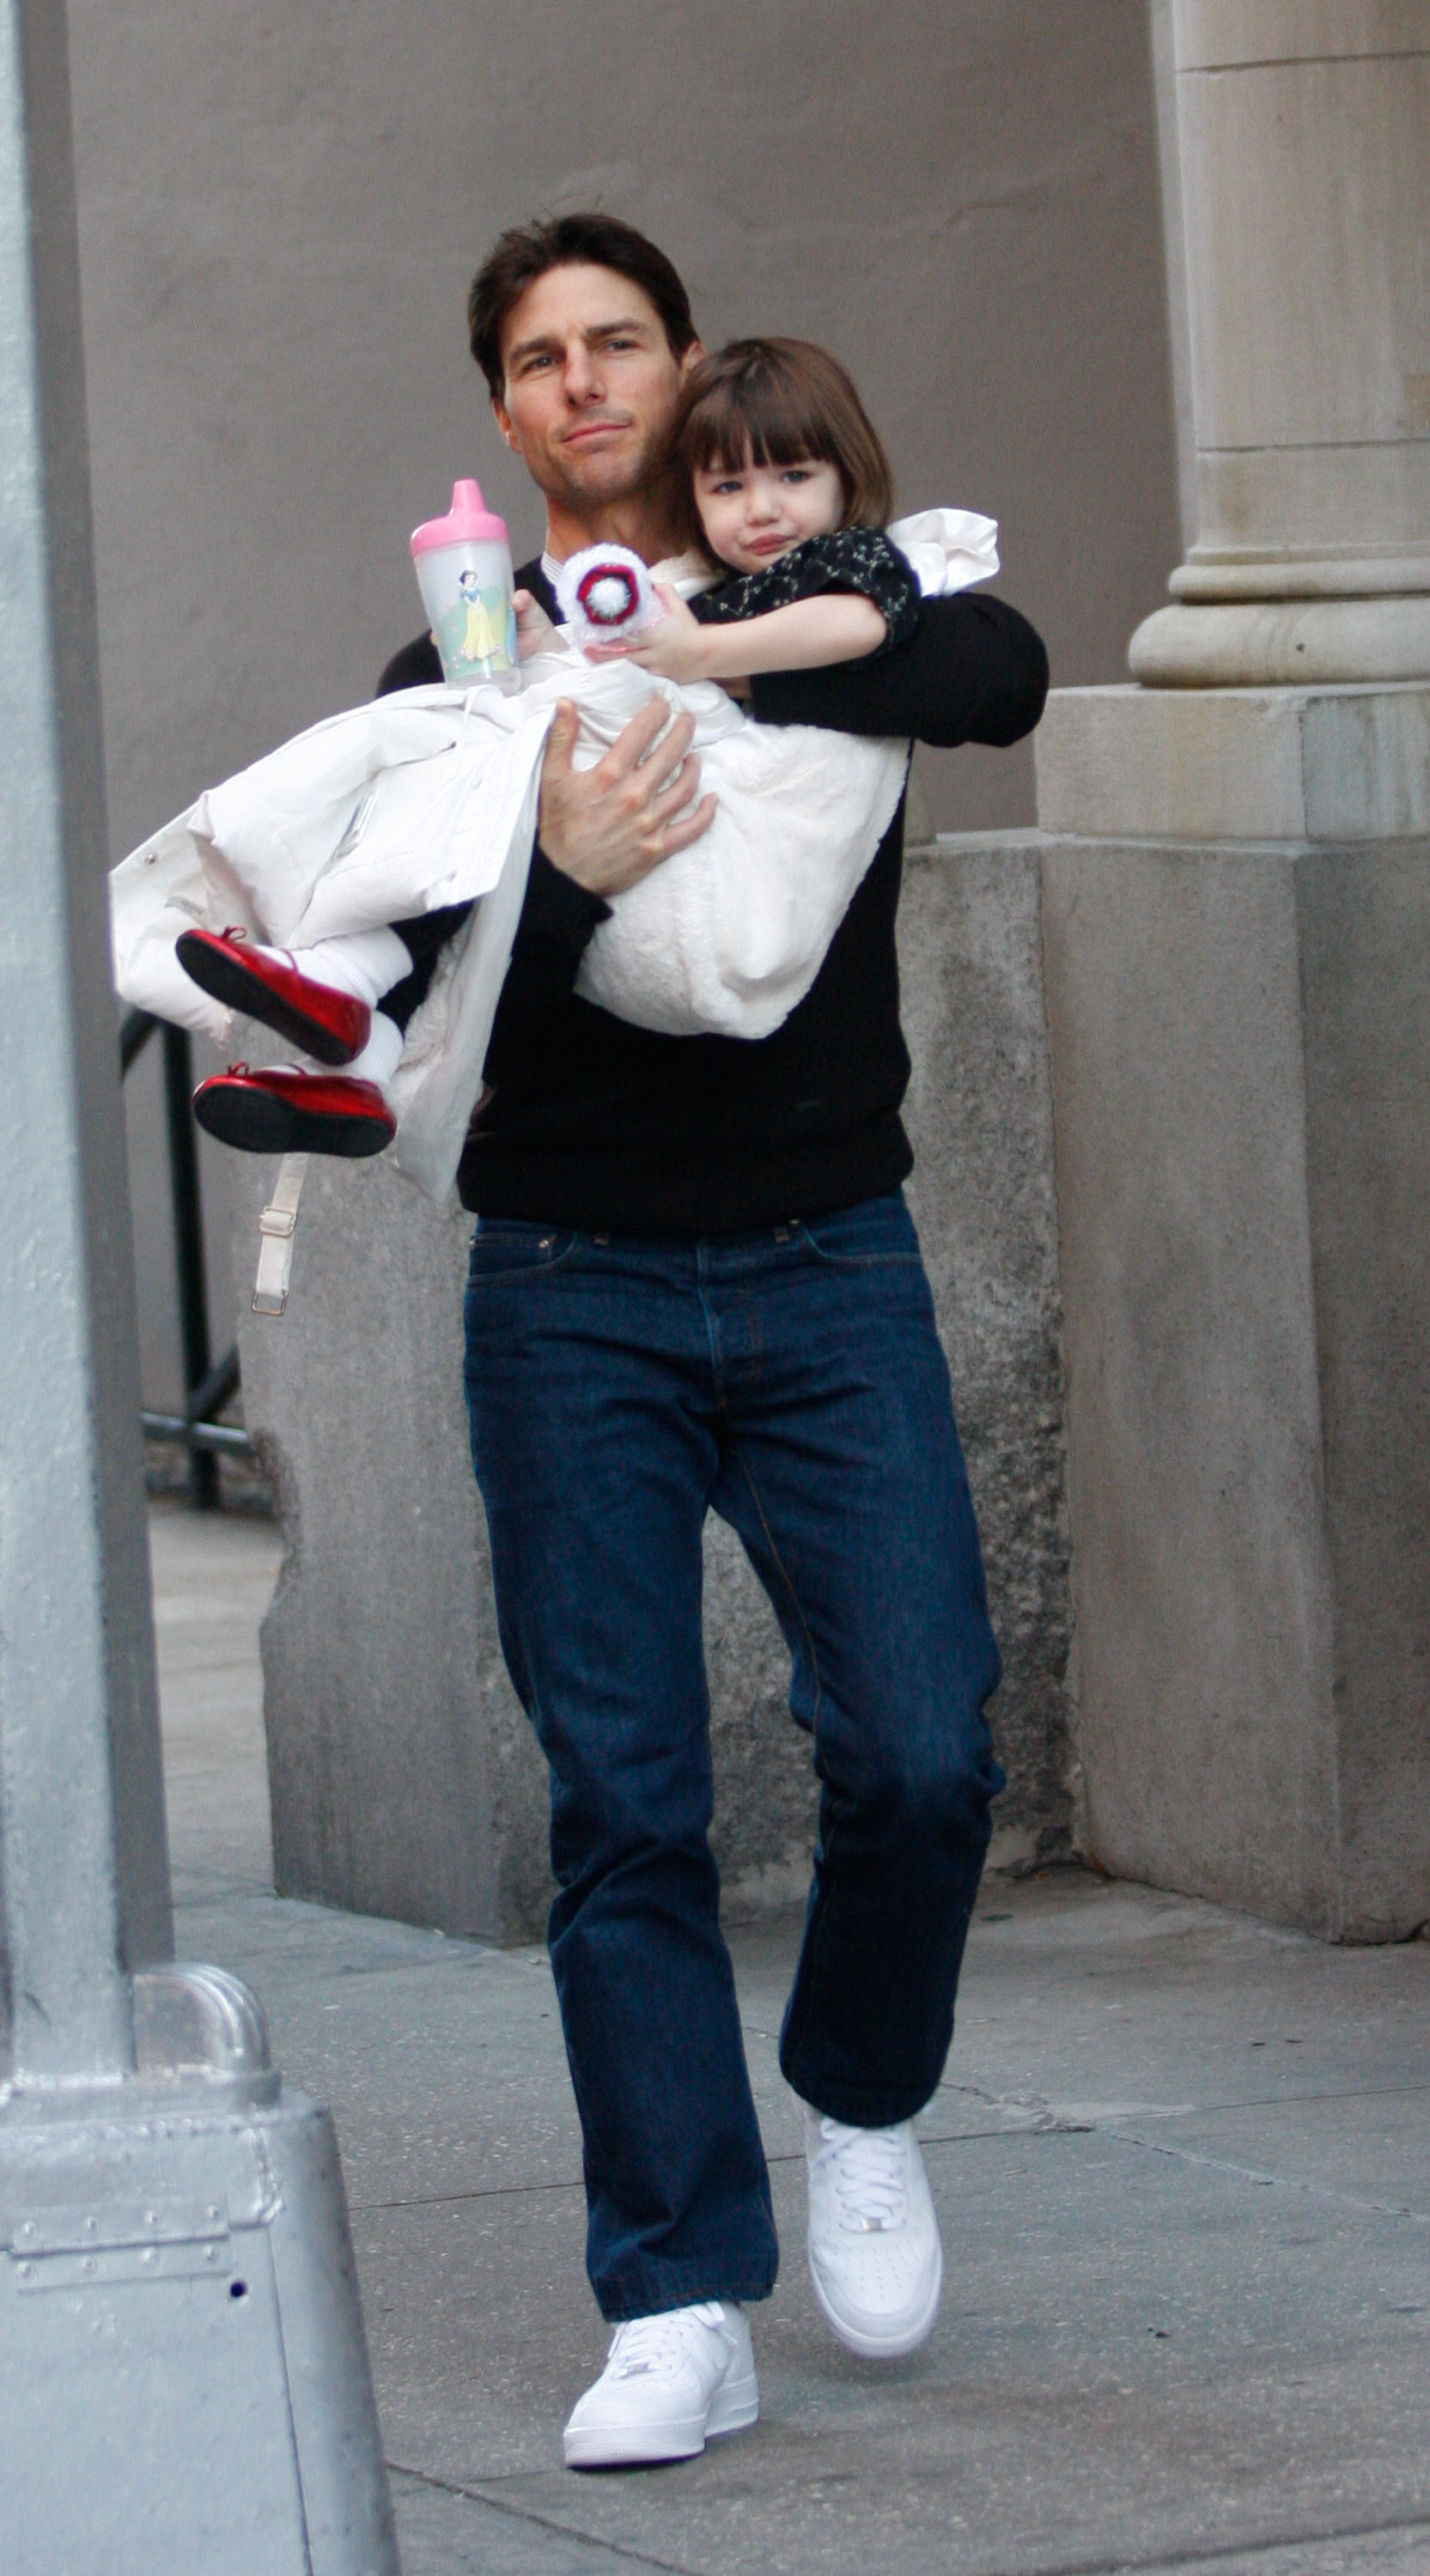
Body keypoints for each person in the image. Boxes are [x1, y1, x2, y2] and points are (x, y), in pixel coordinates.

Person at [169, 337, 994, 1150]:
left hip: (790, 1095)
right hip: (558, 1220)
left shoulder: (845, 564)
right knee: (456, 782)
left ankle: (351, 1003)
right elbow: (623, 678)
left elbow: (871, 626)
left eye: (793, 476)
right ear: (503, 413)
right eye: (730, 485)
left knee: (479, 789)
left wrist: (702, 654)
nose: (763, 508)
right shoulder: (679, 595)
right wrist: (543, 655)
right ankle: (357, 1040)